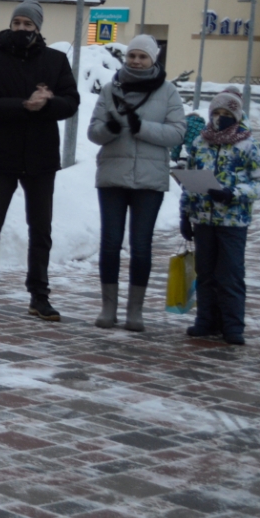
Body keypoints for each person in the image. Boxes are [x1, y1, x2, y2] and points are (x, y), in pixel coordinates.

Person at [0, 0, 80, 322]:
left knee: (41, 230)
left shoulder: (56, 61)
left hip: (41, 158)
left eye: (28, 24)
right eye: (17, 23)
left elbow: (71, 102)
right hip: (1, 157)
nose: (21, 29)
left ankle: (39, 296)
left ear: (38, 28)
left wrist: (48, 102)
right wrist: (22, 105)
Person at [86, 34, 185, 331]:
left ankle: (135, 311)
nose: (136, 61)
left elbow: (177, 132)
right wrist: (110, 129)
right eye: (132, 56)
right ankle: (108, 307)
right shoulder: (110, 89)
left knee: (141, 246)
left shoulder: (168, 92)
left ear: (153, 59)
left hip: (149, 180)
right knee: (110, 242)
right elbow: (93, 132)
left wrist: (142, 128)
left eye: (143, 56)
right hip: (113, 176)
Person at [178, 86, 260, 345]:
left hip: (233, 221)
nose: (220, 117)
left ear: (237, 116)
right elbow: (190, 179)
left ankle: (233, 326)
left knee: (230, 274)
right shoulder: (200, 143)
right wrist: (185, 214)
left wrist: (234, 193)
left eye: (226, 112)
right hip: (203, 219)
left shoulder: (248, 144)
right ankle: (206, 321)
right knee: (205, 273)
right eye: (216, 112)